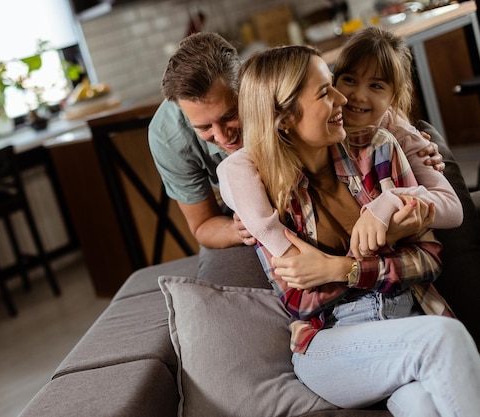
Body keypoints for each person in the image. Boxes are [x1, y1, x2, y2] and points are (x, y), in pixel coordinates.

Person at [221, 44, 480, 416]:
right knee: (444, 337)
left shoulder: (377, 149)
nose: (342, 98)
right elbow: (301, 299)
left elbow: (428, 258)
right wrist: (383, 258)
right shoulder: (262, 191)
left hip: (408, 319)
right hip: (330, 345)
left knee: (423, 405)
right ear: (284, 118)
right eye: (325, 92)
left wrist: (340, 269)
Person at [148, 32, 444, 250]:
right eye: (204, 128)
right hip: (239, 218)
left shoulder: (274, 85)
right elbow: (202, 226)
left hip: (306, 192)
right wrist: (239, 230)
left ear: (252, 92)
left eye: (230, 116)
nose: (224, 136)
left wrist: (409, 139)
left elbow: (342, 106)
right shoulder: (168, 137)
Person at [218, 26, 462, 260]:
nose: (355, 96)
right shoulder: (320, 123)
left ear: (393, 98)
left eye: (376, 86)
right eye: (349, 80)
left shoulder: (396, 134)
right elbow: (235, 167)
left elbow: (452, 209)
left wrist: (390, 202)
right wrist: (262, 224)